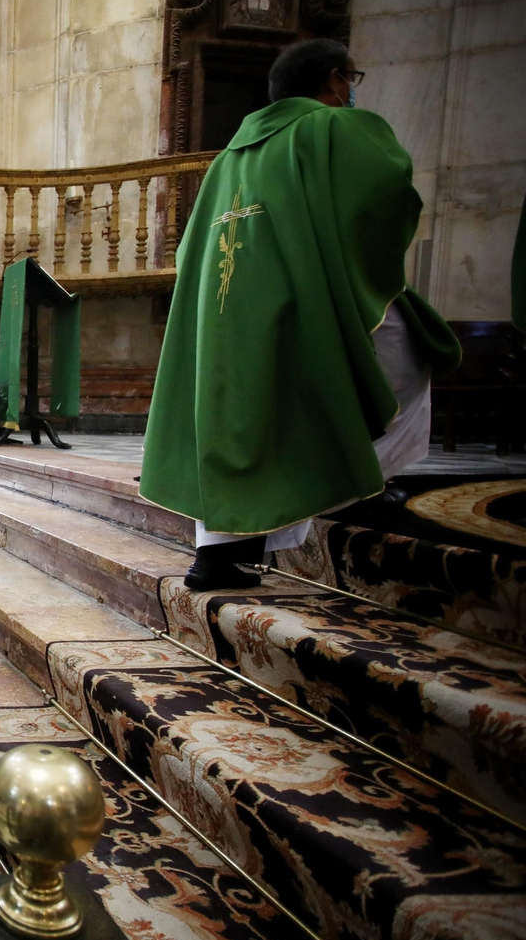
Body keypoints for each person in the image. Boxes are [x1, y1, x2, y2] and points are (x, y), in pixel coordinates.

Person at [140, 39, 462, 591]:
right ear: (337, 80)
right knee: (405, 359)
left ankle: (216, 556)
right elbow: (386, 194)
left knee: (233, 422)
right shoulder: (333, 130)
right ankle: (358, 485)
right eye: (351, 78)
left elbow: (195, 244)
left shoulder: (226, 160)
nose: (352, 90)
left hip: (225, 314)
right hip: (303, 302)